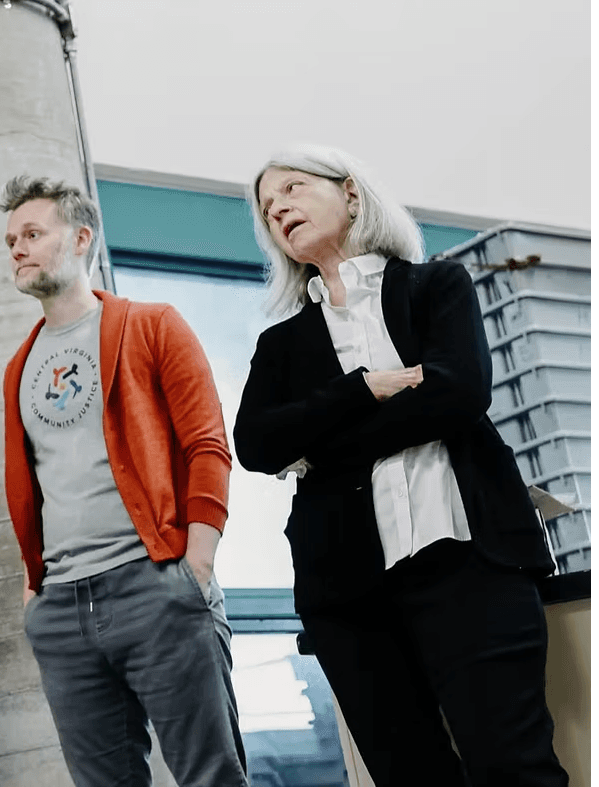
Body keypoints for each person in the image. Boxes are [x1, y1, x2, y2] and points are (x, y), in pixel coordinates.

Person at [233, 143, 566, 787]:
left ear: (350, 192)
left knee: (514, 769)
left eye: (293, 188)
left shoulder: (436, 286)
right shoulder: (281, 344)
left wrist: (319, 446)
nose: (278, 210)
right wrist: (365, 388)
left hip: (470, 562)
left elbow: (458, 395)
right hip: (347, 596)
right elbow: (256, 446)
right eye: (267, 208)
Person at [0, 176, 248, 786]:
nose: (18, 249)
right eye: (10, 241)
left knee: (211, 777)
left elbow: (207, 445)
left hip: (156, 589)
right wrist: (34, 590)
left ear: (81, 238)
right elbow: (36, 485)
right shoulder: (18, 367)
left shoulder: (153, 325)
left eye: (32, 234)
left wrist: (197, 566)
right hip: (62, 609)